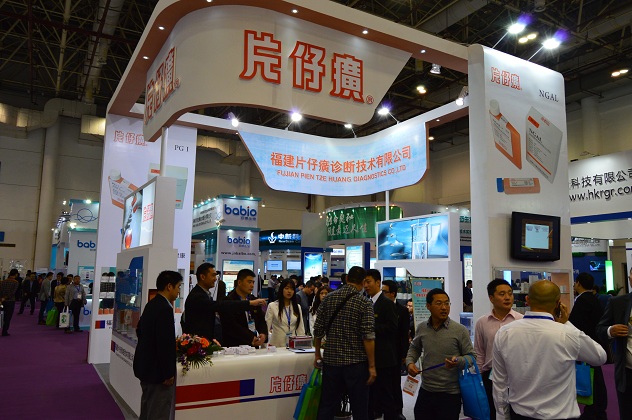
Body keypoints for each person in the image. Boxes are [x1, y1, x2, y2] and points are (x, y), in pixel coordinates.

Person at [493, 280, 607, 420]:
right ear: (558, 303)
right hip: (561, 415)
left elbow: (499, 382)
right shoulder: (568, 333)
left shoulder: (504, 333)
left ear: (527, 300)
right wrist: (567, 323)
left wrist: (502, 416)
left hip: (520, 414)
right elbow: (600, 357)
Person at [313, 266, 376, 420]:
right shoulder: (364, 303)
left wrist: (317, 355)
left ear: (347, 279)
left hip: (331, 362)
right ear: (363, 282)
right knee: (360, 408)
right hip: (356, 364)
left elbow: (318, 331)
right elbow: (368, 337)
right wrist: (372, 366)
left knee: (327, 406)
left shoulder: (328, 298)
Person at [406, 288, 474, 420]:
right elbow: (414, 348)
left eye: (447, 303)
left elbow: (471, 357)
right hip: (426, 390)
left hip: (450, 393)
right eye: (439, 303)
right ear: (428, 306)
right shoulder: (422, 328)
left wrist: (458, 361)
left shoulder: (460, 330)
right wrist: (410, 363)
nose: (444, 307)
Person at [133, 270, 182, 420]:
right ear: (169, 286)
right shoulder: (165, 309)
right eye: (178, 287)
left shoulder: (152, 304)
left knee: (147, 410)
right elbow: (164, 344)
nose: (179, 291)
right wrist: (168, 373)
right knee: (158, 412)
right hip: (158, 374)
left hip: (146, 368)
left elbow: (140, 330)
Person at [473, 279, 523, 420]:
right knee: (492, 413)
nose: (507, 297)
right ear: (491, 298)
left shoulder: (522, 320)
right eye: (502, 294)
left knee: (517, 413)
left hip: (516, 376)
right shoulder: (482, 322)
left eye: (510, 293)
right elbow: (479, 352)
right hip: (490, 377)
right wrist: (479, 378)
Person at [182, 263, 265, 344]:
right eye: (213, 275)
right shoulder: (198, 296)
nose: (215, 279)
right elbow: (220, 307)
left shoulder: (205, 294)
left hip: (204, 342)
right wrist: (249, 303)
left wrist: (263, 334)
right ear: (202, 277)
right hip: (199, 343)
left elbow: (261, 320)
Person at [568, 272, 607, 419]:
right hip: (595, 343)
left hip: (586, 345)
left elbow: (574, 325)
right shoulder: (594, 299)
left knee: (592, 377)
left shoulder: (582, 301)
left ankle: (595, 408)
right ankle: (598, 406)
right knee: (596, 376)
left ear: (578, 283)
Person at [596, 267, 632, 419]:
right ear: (630, 279)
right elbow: (600, 329)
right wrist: (610, 330)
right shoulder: (618, 303)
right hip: (627, 373)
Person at [364, 269, 399, 420]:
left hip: (384, 358)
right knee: (370, 396)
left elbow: (392, 328)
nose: (366, 285)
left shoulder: (386, 303)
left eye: (368, 282)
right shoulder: (365, 302)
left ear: (377, 282)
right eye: (364, 282)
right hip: (368, 357)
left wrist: (370, 327)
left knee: (386, 396)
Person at [382, 279, 410, 419]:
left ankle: (398, 410)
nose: (382, 294)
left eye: (384, 292)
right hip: (381, 352)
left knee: (394, 382)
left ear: (392, 293)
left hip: (396, 352)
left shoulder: (402, 310)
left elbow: (404, 334)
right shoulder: (378, 307)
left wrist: (404, 354)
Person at [220, 268, 267, 348]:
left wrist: (263, 334)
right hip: (234, 346)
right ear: (239, 282)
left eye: (253, 282)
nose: (252, 285)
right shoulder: (228, 301)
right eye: (249, 282)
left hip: (253, 344)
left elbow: (261, 320)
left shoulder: (254, 299)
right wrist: (250, 338)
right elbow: (231, 325)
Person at [265, 278, 305, 347]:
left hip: (292, 345)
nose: (289, 291)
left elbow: (300, 328)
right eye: (287, 288)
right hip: (276, 345)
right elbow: (266, 326)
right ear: (282, 289)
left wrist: (302, 344)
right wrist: (264, 345)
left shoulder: (297, 307)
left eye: (292, 289)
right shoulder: (272, 306)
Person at [0, 269, 20, 336]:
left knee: (1, 315)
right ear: (16, 274)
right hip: (10, 301)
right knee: (8, 317)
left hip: (2, 301)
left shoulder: (3, 281)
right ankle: (4, 331)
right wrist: (6, 297)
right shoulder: (16, 282)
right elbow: (12, 293)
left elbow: (0, 291)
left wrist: (2, 299)